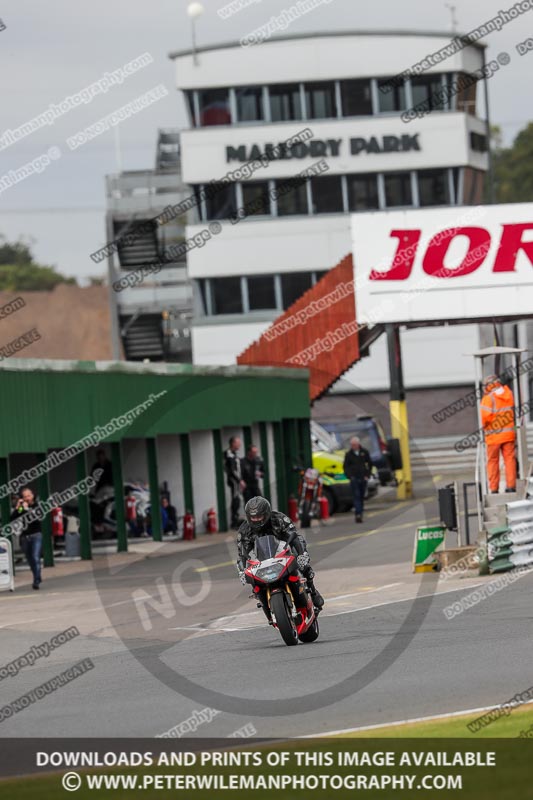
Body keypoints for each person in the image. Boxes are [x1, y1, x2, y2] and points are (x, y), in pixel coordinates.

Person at [236, 496, 324, 611]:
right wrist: (242, 571)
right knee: (252, 578)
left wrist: (302, 554)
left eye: (259, 516)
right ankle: (264, 604)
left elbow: (294, 537)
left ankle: (312, 590)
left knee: (302, 562)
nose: (256, 520)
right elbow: (242, 553)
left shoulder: (279, 518)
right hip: (261, 557)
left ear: (267, 513)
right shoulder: (244, 530)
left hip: (283, 549)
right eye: (253, 517)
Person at [480, 374, 517, 493]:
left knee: (493, 462)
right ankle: (511, 486)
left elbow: (484, 418)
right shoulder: (508, 393)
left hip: (493, 436)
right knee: (509, 460)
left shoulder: (488, 398)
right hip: (508, 435)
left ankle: (494, 488)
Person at [11, 487, 42, 590]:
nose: (27, 498)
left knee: (35, 557)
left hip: (36, 535)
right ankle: (37, 575)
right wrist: (18, 507)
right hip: (25, 536)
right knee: (30, 559)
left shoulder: (36, 506)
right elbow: (14, 517)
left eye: (28, 496)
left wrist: (28, 509)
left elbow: (37, 519)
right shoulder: (22, 507)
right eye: (24, 496)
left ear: (32, 495)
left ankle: (36, 581)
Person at [343, 436, 373, 523]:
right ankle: (358, 514)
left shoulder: (364, 452)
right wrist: (350, 476)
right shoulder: (348, 454)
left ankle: (360, 513)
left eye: (355, 445)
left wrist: (367, 474)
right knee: (356, 496)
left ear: (358, 444)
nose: (353, 446)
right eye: (352, 445)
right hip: (354, 478)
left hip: (363, 478)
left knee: (361, 496)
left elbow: (370, 464)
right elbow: (345, 467)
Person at [224, 436, 245, 529]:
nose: (239, 444)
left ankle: (236, 519)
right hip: (234, 481)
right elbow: (232, 470)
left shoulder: (234, 454)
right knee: (236, 499)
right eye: (238, 443)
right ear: (233, 443)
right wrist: (239, 480)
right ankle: (234, 521)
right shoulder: (229, 454)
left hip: (237, 480)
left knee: (238, 499)